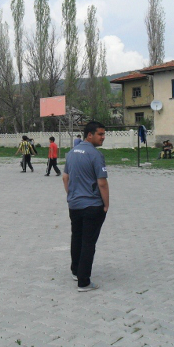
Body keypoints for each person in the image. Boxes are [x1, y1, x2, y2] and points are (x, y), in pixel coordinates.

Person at [63, 121, 109, 292]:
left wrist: (71, 195)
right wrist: (106, 204)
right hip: (92, 205)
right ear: (90, 135)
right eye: (100, 134)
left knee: (77, 237)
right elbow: (102, 183)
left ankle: (76, 271)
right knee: (89, 242)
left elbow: (65, 177)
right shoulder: (96, 155)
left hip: (74, 205)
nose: (103, 137)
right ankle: (83, 281)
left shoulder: (71, 153)